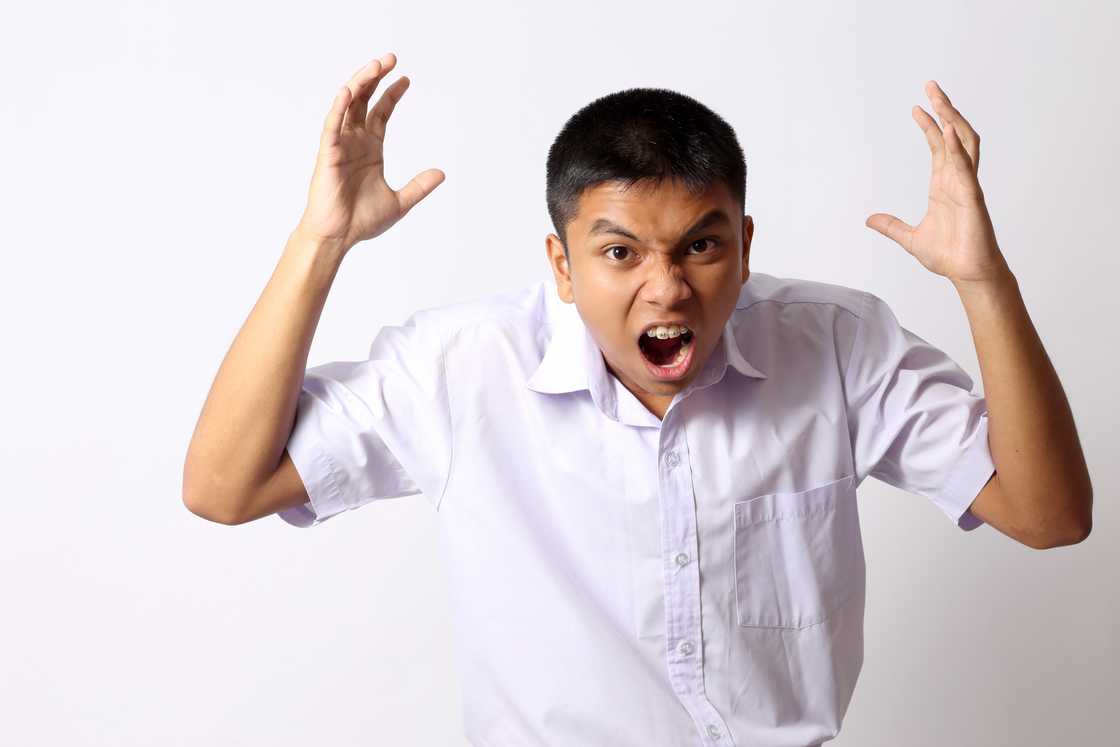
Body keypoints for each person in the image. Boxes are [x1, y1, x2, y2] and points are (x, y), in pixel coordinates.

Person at [182, 52, 1093, 746]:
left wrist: (983, 279)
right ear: (562, 266)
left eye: (700, 247)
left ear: (743, 243)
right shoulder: (462, 368)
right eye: (620, 253)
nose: (666, 289)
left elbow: (1049, 514)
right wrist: (322, 240)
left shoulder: (836, 345)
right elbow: (224, 487)